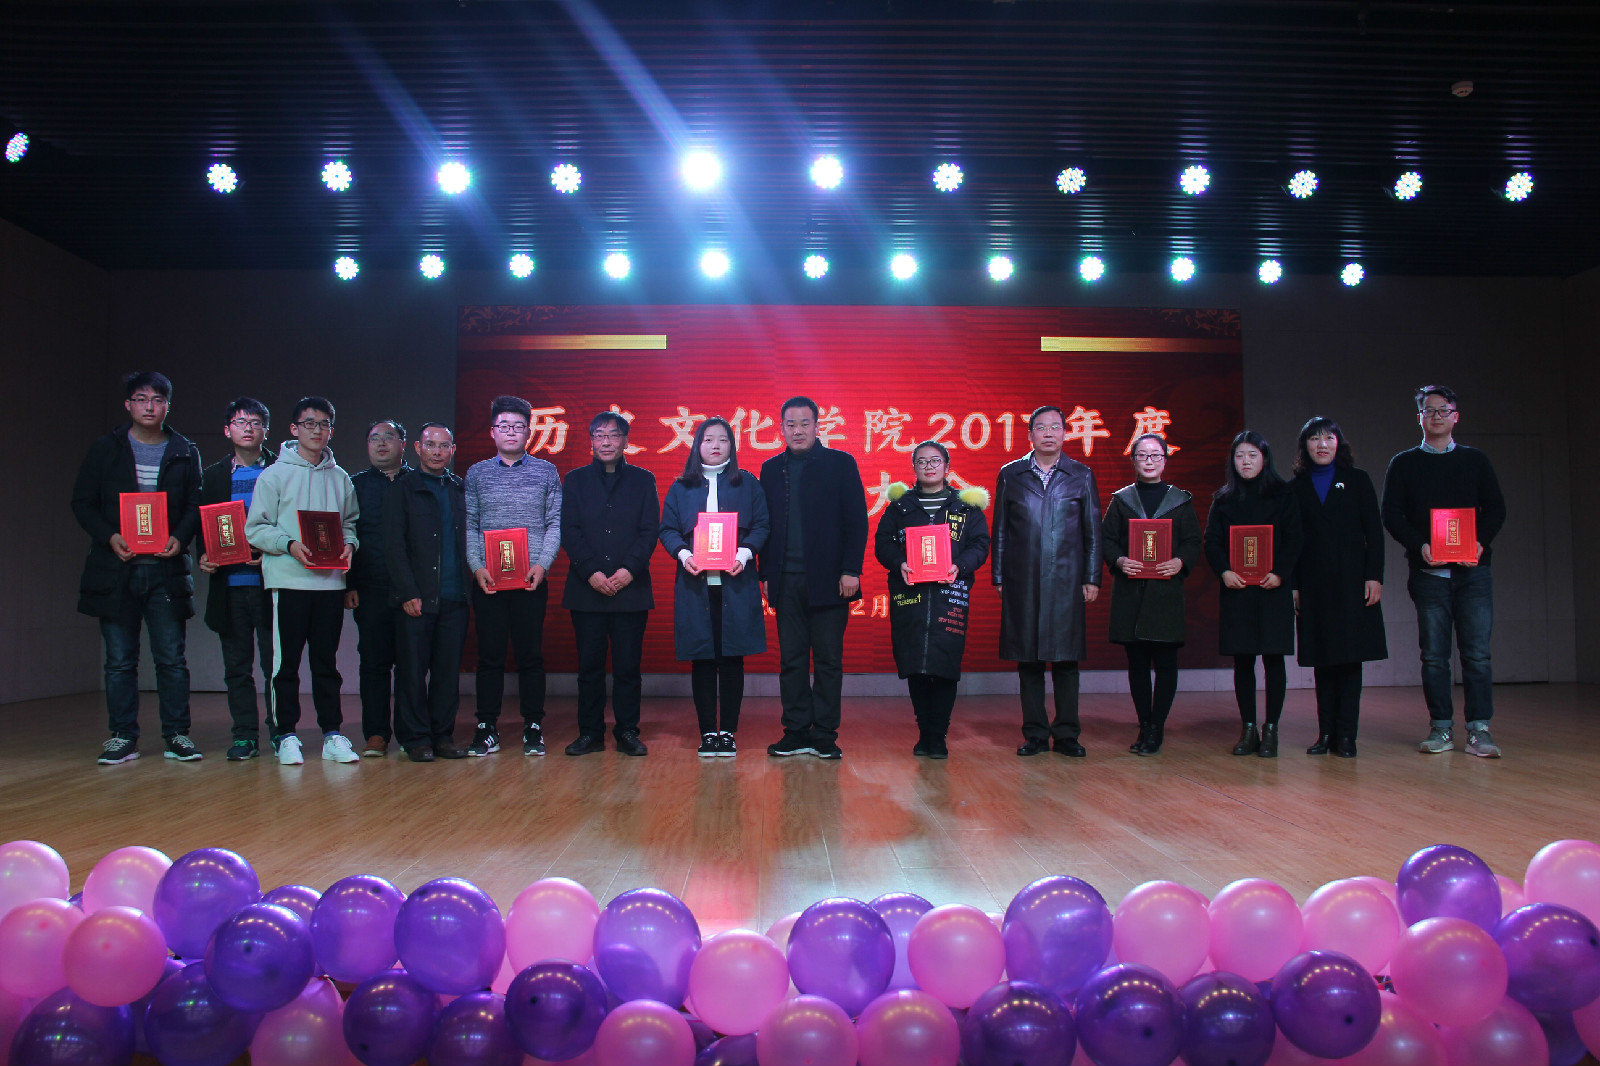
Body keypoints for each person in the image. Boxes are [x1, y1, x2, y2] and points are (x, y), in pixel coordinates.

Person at [72, 371, 204, 764]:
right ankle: (122, 736)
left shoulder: (184, 450)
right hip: (116, 568)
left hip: (166, 570)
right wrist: (109, 536)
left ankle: (177, 735)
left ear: (168, 406)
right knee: (119, 660)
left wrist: (180, 536)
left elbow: (195, 505)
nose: (150, 406)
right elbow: (82, 502)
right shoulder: (106, 448)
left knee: (171, 659)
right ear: (128, 404)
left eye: (158, 399)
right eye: (142, 399)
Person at [1381, 385, 1507, 757]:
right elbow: (1392, 514)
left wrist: (1480, 542)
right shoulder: (1403, 463)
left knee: (1477, 655)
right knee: (1434, 657)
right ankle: (1440, 728)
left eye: (1443, 410)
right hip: (1429, 575)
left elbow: (1496, 508)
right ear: (1419, 417)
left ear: (1455, 416)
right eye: (1429, 410)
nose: (1436, 416)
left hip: (1473, 574)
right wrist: (1419, 546)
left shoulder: (1475, 460)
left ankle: (1479, 730)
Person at [244, 396, 362, 766]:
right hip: (288, 582)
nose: (317, 430)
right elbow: (255, 528)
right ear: (294, 429)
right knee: (286, 665)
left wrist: (349, 546)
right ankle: (286, 735)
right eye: (309, 423)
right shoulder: (274, 475)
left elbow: (349, 523)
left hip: (329, 584)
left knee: (326, 664)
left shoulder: (341, 478)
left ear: (331, 431)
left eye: (324, 424)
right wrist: (289, 545)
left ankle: (332, 734)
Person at [757, 396, 869, 760]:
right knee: (791, 659)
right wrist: (764, 573)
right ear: (781, 428)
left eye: (805, 423)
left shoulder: (840, 463)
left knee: (828, 660)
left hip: (830, 579)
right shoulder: (771, 469)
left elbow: (857, 520)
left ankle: (824, 734)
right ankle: (795, 731)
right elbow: (764, 526)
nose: (798, 430)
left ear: (818, 426)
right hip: (785, 579)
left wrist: (851, 569)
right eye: (790, 424)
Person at [992, 405, 1102, 757]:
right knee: (1029, 661)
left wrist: (1091, 577)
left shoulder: (1081, 475)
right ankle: (1036, 734)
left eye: (1056, 427)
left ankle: (1067, 734)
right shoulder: (1011, 474)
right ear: (1030, 435)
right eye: (1041, 427)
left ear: (1065, 433)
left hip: (1067, 580)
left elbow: (1092, 532)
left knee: (1066, 660)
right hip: (1022, 579)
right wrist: (999, 576)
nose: (1049, 433)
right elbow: (1000, 530)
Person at [872, 441, 991, 759]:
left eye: (935, 461)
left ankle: (938, 735)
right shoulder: (900, 507)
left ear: (947, 467)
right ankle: (924, 731)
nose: (929, 466)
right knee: (915, 665)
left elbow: (980, 544)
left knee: (944, 664)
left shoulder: (965, 507)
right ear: (914, 468)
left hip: (949, 595)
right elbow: (882, 543)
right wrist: (899, 563)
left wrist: (960, 566)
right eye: (922, 461)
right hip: (910, 595)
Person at [659, 417, 770, 756]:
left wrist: (745, 553)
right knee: (703, 659)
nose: (716, 445)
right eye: (708, 439)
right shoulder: (681, 487)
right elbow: (667, 529)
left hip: (735, 582)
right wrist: (683, 554)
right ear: (698, 445)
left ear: (732, 446)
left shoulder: (747, 483)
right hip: (696, 585)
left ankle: (728, 732)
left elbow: (762, 525)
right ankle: (708, 732)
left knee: (732, 657)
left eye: (723, 439)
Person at [464, 395, 562, 757]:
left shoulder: (546, 472)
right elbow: (470, 524)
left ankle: (533, 725)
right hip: (488, 580)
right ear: (492, 431)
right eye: (504, 426)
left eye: (518, 426)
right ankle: (486, 726)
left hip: (531, 579)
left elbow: (554, 523)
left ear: (528, 432)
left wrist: (543, 564)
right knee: (489, 656)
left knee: (530, 656)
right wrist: (476, 566)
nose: (511, 432)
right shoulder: (476, 473)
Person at [561, 411, 659, 756]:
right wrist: (590, 572)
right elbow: (569, 530)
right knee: (589, 668)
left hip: (631, 589)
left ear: (625, 441)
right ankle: (590, 733)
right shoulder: (574, 480)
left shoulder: (643, 480)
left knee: (628, 668)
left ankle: (627, 731)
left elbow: (650, 530)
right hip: (586, 589)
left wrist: (629, 570)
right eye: (599, 435)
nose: (606, 441)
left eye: (613, 435)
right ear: (591, 440)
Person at [1290, 417, 1387, 758]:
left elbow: (1374, 533)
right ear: (1305, 446)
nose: (1322, 444)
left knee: (1349, 660)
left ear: (1338, 444)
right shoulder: (1295, 487)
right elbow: (1292, 541)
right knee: (1323, 661)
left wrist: (1374, 576)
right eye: (1314, 438)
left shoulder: (1358, 480)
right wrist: (1294, 585)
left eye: (1328, 438)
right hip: (1313, 584)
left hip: (1352, 581)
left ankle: (1347, 736)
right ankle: (1326, 734)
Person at [1101, 433, 1201, 756]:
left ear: (1165, 460)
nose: (1149, 461)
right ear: (1133, 461)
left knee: (1167, 662)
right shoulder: (1122, 500)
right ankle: (1144, 723)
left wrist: (1180, 562)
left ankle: (1157, 725)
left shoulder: (1180, 501)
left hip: (1165, 592)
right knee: (1138, 664)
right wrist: (1119, 560)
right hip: (1131, 593)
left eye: (1155, 455)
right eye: (1142, 455)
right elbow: (1106, 540)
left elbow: (1193, 542)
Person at [1203, 430, 1302, 758]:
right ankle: (1248, 728)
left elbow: (1295, 539)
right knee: (1243, 660)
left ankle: (1271, 729)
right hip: (1238, 589)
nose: (1245, 462)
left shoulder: (1283, 494)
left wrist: (1281, 573)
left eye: (1252, 455)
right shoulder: (1223, 499)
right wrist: (1224, 572)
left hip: (1273, 588)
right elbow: (1212, 542)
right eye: (1239, 456)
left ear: (1264, 459)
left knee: (1273, 659)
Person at [384, 423, 469, 762]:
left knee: (447, 673)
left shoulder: (460, 488)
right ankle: (415, 738)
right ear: (418, 448)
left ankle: (442, 736)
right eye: (431, 445)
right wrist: (407, 591)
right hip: (416, 596)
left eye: (444, 445)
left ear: (452, 450)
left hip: (455, 596)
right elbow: (393, 546)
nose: (437, 451)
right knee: (411, 671)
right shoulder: (402, 488)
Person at [198, 397, 277, 761]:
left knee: (275, 667)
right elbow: (203, 523)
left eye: (255, 422)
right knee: (236, 668)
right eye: (240, 422)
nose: (248, 428)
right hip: (229, 586)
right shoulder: (214, 475)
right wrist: (204, 554)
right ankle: (244, 736)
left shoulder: (280, 470)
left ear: (265, 431)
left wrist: (272, 550)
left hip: (271, 584)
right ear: (227, 430)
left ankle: (281, 731)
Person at [347, 419, 411, 758]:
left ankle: (410, 733)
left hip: (411, 589)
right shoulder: (354, 485)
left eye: (389, 437)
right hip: (370, 586)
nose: (381, 443)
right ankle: (375, 733)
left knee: (410, 664)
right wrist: (349, 583)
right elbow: (346, 536)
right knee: (373, 663)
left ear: (404, 444)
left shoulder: (417, 482)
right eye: (374, 438)